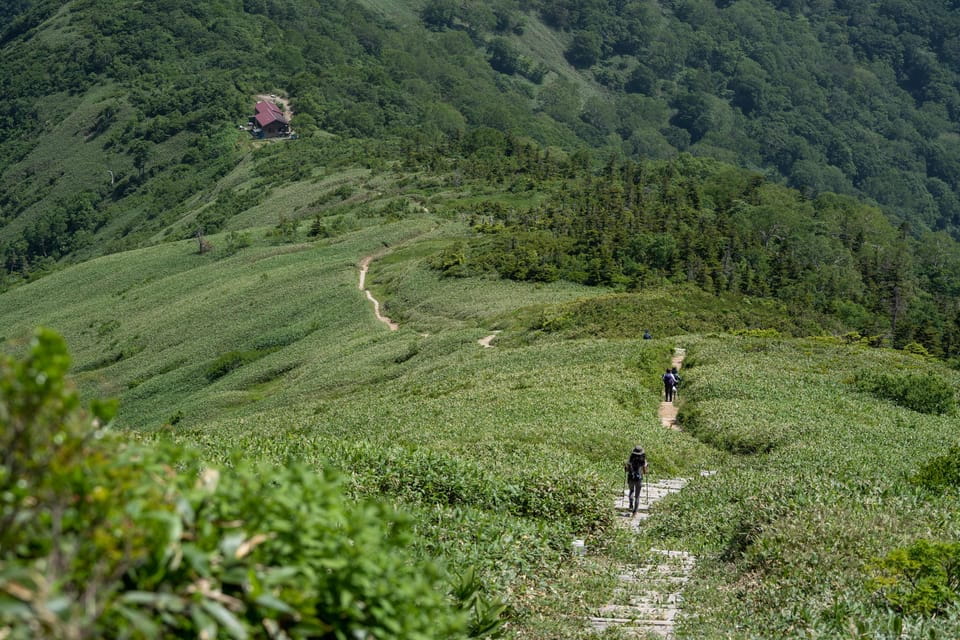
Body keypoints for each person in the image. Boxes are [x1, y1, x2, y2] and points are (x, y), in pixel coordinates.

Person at [624, 446, 648, 515]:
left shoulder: (630, 459)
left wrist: (625, 467)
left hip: (631, 478)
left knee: (631, 491)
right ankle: (635, 511)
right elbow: (644, 472)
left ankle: (631, 503)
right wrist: (646, 468)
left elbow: (626, 470)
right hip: (639, 479)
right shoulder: (643, 460)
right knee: (637, 496)